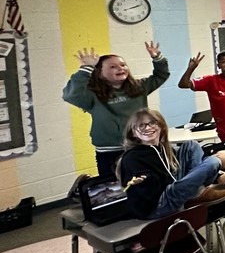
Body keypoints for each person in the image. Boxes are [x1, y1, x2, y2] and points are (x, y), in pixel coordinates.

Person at [63, 42, 169, 177]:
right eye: (113, 67)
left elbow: (161, 75)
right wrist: (86, 68)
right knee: (115, 189)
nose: (120, 68)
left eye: (123, 65)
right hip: (110, 150)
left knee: (146, 182)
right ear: (99, 73)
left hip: (140, 145)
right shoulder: (92, 95)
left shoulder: (139, 87)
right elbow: (71, 94)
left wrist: (157, 57)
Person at [118, 109, 225, 219]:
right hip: (157, 203)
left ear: (161, 126)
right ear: (133, 133)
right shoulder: (132, 157)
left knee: (192, 145)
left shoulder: (163, 148)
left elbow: (173, 171)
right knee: (213, 161)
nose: (147, 127)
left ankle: (194, 194)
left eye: (152, 122)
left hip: (171, 188)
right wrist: (141, 180)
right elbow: (137, 185)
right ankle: (196, 193)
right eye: (141, 125)